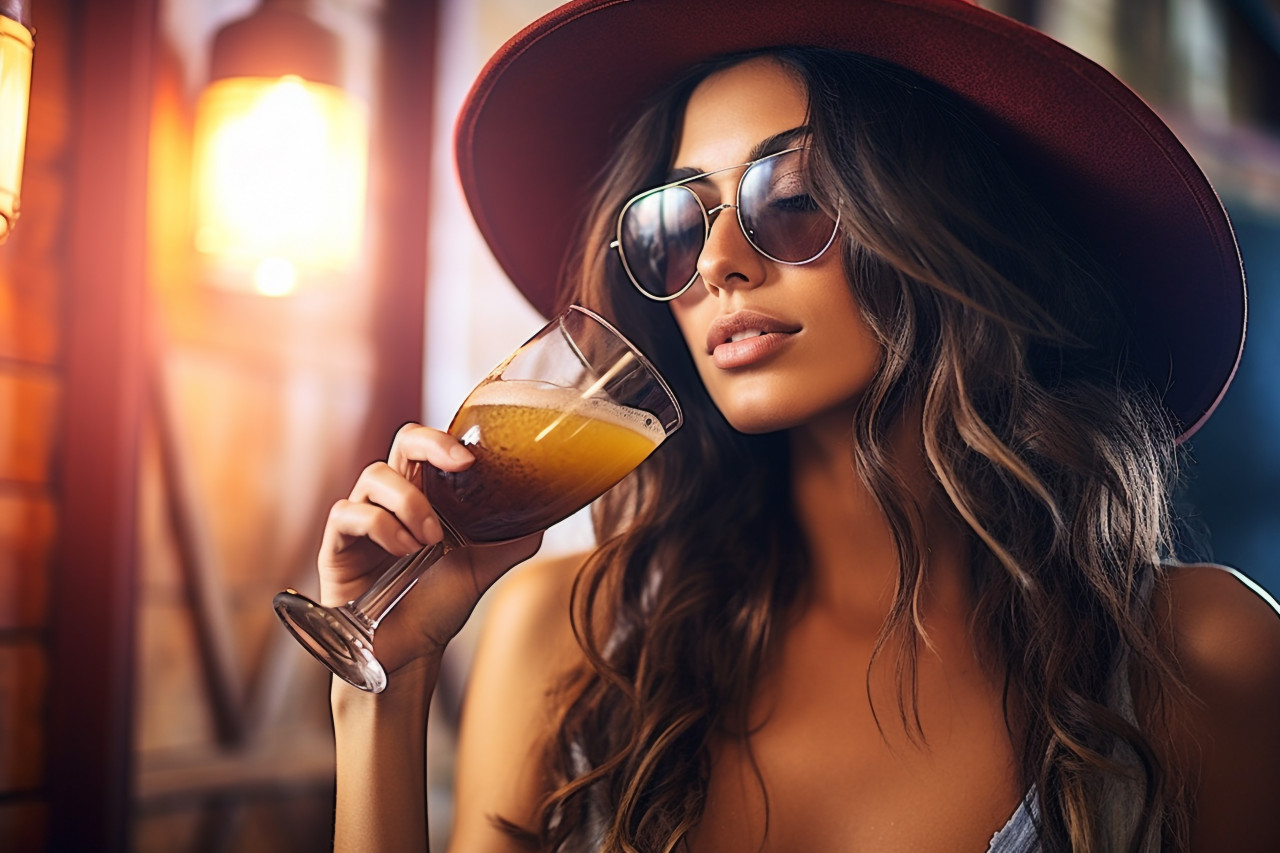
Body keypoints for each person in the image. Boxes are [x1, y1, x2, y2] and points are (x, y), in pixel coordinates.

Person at [315, 1, 1280, 850]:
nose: (719, 262)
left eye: (793, 197)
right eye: (676, 221)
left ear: (942, 231)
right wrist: (385, 692)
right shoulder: (568, 638)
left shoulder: (1203, 659)